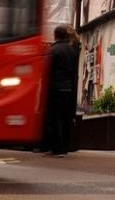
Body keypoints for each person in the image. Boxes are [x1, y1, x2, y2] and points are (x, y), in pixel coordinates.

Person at [46, 25, 80, 157]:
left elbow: (49, 70)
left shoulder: (53, 50)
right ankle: (65, 148)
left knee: (55, 119)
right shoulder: (72, 50)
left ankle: (56, 149)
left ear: (55, 36)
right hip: (69, 89)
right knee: (66, 118)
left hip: (55, 89)